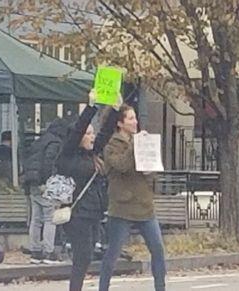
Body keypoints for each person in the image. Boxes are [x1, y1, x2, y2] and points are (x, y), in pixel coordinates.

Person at [99, 104, 166, 291]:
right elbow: (122, 165)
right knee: (113, 252)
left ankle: (160, 287)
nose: (135, 122)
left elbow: (148, 169)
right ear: (120, 123)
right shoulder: (111, 145)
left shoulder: (138, 140)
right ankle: (103, 287)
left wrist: (151, 166)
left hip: (144, 205)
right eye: (130, 118)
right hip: (122, 207)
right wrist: (135, 146)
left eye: (135, 117)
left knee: (157, 249)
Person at [57, 90, 119, 291]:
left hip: (92, 212)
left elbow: (105, 135)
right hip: (77, 213)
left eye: (92, 133)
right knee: (82, 256)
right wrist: (91, 107)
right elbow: (77, 131)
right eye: (88, 134)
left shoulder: (91, 155)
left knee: (86, 255)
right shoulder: (68, 155)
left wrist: (115, 111)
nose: (92, 137)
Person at [23, 118, 72, 264]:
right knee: (50, 218)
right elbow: (49, 163)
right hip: (45, 184)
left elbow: (29, 161)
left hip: (32, 183)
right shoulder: (55, 143)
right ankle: (48, 252)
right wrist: (47, 182)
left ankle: (35, 251)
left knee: (36, 219)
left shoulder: (39, 141)